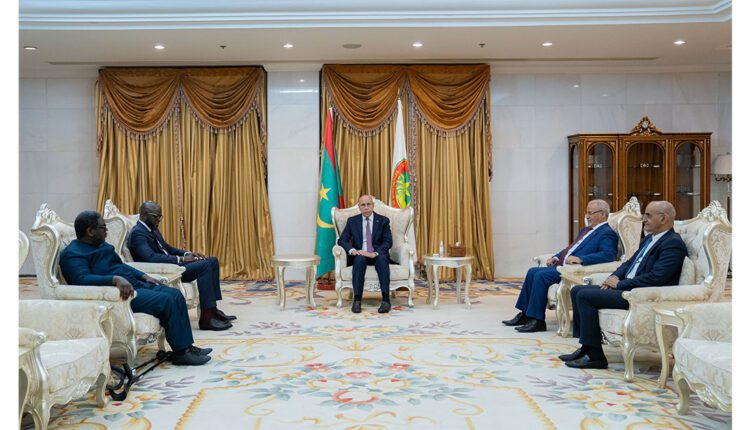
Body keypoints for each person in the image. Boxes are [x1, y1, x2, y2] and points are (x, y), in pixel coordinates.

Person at [60, 211, 211, 366]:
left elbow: (121, 265)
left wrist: (144, 276)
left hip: (136, 284)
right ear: (90, 231)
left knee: (175, 294)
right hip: (120, 295)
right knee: (167, 300)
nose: (106, 231)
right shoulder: (73, 254)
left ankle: (187, 347)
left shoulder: (101, 245)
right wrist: (114, 279)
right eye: (103, 227)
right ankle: (181, 353)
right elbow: (81, 280)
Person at [560, 200, 687, 369]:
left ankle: (595, 357)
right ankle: (586, 348)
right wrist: (613, 276)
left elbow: (657, 278)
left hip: (640, 295)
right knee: (577, 290)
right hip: (627, 288)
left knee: (585, 296)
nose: (643, 219)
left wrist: (620, 283)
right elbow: (628, 263)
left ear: (663, 218)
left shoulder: (673, 243)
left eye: (648, 215)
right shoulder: (650, 239)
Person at [502, 200, 618, 333]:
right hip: (562, 265)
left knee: (540, 275)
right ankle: (525, 314)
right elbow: (571, 249)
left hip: (573, 271)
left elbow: (608, 254)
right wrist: (556, 257)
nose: (587, 216)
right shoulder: (587, 230)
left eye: (590, 213)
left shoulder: (607, 232)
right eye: (587, 212)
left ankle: (537, 320)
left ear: (602, 214)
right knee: (532, 271)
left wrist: (581, 259)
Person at [127, 201, 236, 331]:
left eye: (160, 216)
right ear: (145, 215)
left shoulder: (152, 228)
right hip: (166, 272)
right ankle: (206, 318)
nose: (159, 219)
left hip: (174, 265)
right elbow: (151, 258)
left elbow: (167, 248)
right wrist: (182, 259)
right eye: (156, 216)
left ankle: (213, 309)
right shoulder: (138, 234)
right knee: (205, 266)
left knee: (212, 261)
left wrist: (187, 253)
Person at [337, 194, 393, 314]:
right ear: (359, 207)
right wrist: (353, 250)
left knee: (382, 259)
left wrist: (375, 253)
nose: (366, 207)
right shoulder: (352, 221)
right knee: (359, 259)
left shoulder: (383, 220)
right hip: (360, 254)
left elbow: (388, 242)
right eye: (363, 205)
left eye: (368, 204)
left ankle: (386, 300)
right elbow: (342, 240)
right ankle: (357, 300)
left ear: (373, 205)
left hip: (377, 254)